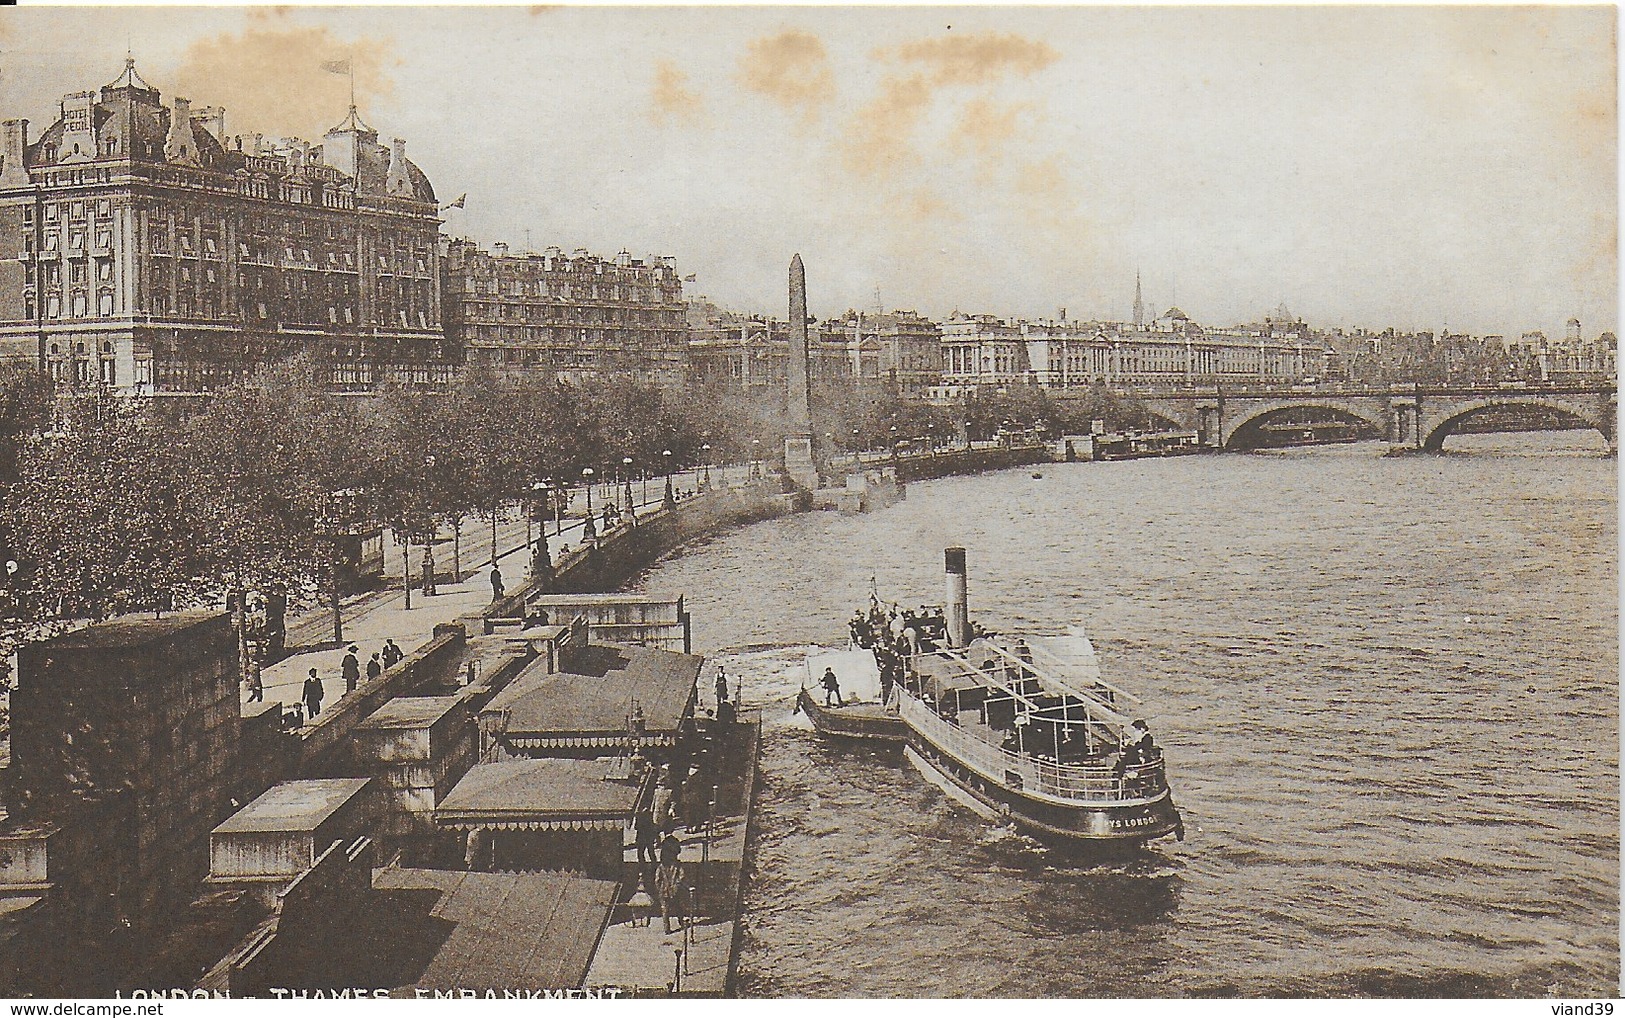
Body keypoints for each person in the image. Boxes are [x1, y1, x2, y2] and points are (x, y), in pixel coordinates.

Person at [655, 830, 684, 934]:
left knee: (665, 910)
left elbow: (657, 880)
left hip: (664, 890)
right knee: (678, 907)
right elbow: (682, 876)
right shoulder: (677, 865)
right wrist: (677, 885)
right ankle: (681, 922)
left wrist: (660, 889)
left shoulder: (661, 867)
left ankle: (667, 929)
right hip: (674, 889)